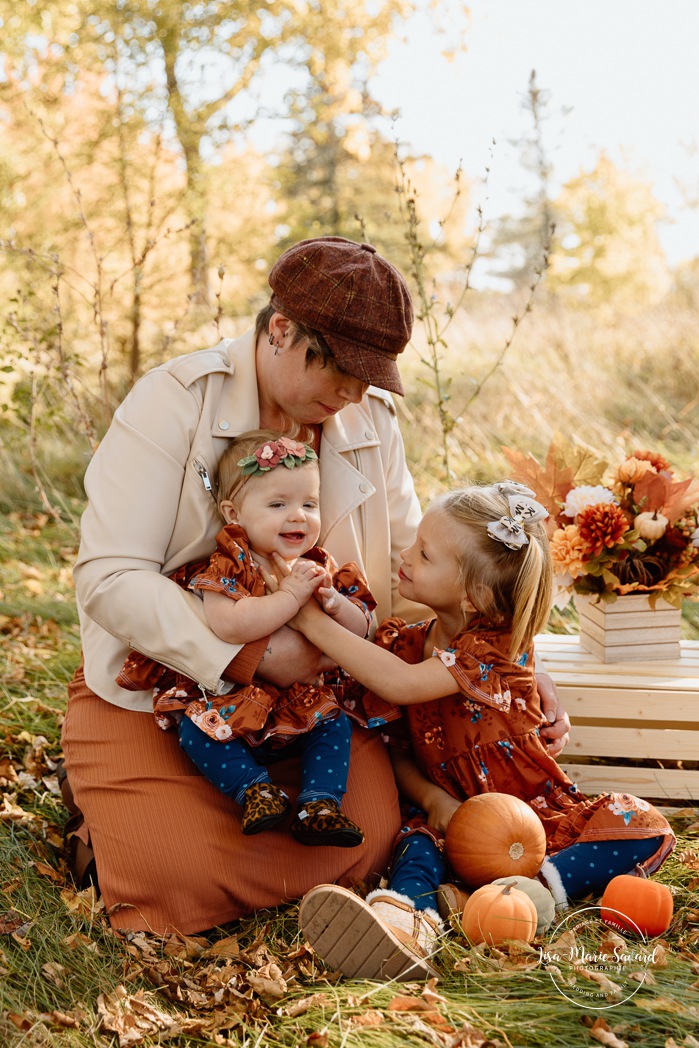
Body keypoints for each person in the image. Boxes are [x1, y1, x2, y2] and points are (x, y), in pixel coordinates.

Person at [61, 236, 570, 934]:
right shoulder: (172, 402)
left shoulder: (366, 417)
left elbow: (410, 571)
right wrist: (251, 655)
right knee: (172, 876)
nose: (353, 394)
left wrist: (501, 656)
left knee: (364, 840)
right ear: (279, 331)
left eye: (370, 377)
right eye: (338, 369)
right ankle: (113, 818)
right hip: (174, 685)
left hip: (318, 700)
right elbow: (109, 578)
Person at [291, 482, 676, 981]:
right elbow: (395, 748)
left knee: (639, 822)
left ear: (472, 595)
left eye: (424, 554)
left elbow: (401, 684)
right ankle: (405, 926)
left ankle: (536, 891)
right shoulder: (405, 644)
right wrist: (432, 800)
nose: (405, 557)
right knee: (417, 852)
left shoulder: (494, 652)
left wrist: (309, 621)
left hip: (533, 819)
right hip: (452, 819)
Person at [117, 428, 373, 847]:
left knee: (334, 725)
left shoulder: (318, 565)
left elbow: (361, 631)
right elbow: (229, 624)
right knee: (195, 732)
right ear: (233, 513)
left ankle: (319, 804)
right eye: (278, 504)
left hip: (301, 702)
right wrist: (290, 598)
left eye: (310, 503)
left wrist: (335, 605)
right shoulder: (229, 565)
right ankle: (253, 789)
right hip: (236, 701)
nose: (298, 516)